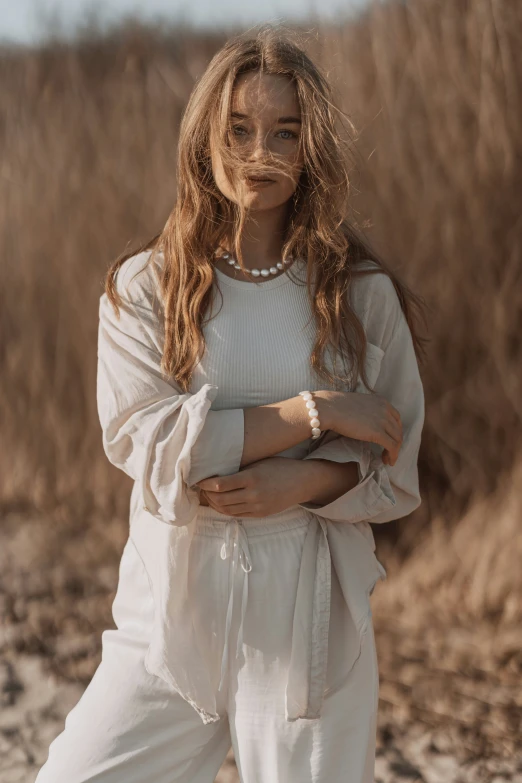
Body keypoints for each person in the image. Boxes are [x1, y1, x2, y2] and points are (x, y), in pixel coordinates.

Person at [35, 24, 426, 783]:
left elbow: (396, 458)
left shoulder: (358, 294)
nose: (261, 153)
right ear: (203, 137)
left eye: (285, 132)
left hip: (308, 621)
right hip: (170, 619)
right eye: (240, 130)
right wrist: (313, 413)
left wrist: (306, 481)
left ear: (310, 145)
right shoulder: (142, 287)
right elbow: (151, 446)